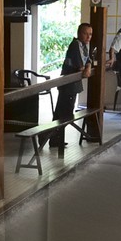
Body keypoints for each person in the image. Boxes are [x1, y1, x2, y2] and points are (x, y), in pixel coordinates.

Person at [48, 22, 95, 151]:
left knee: (64, 113)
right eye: (85, 34)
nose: (88, 37)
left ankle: (56, 139)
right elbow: (80, 65)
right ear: (79, 33)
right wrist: (85, 67)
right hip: (68, 84)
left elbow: (88, 61)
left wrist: (88, 66)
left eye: (90, 34)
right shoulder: (75, 45)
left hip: (73, 85)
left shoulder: (84, 46)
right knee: (63, 113)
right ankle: (52, 138)